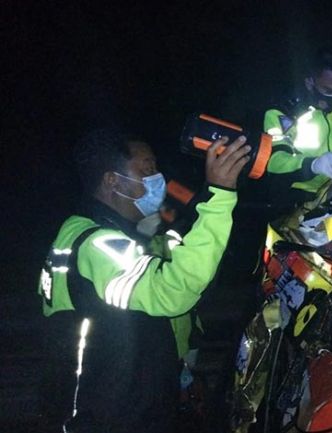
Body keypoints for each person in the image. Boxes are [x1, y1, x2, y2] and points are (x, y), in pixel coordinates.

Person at [38, 128, 250, 433]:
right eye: (146, 169)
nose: (157, 178)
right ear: (112, 180)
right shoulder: (97, 244)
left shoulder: (111, 233)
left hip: (130, 407)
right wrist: (220, 195)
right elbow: (171, 292)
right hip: (106, 418)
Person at [263, 49, 332, 202]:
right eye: (329, 91)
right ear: (310, 82)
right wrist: (312, 165)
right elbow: (274, 161)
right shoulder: (283, 113)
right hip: (299, 196)